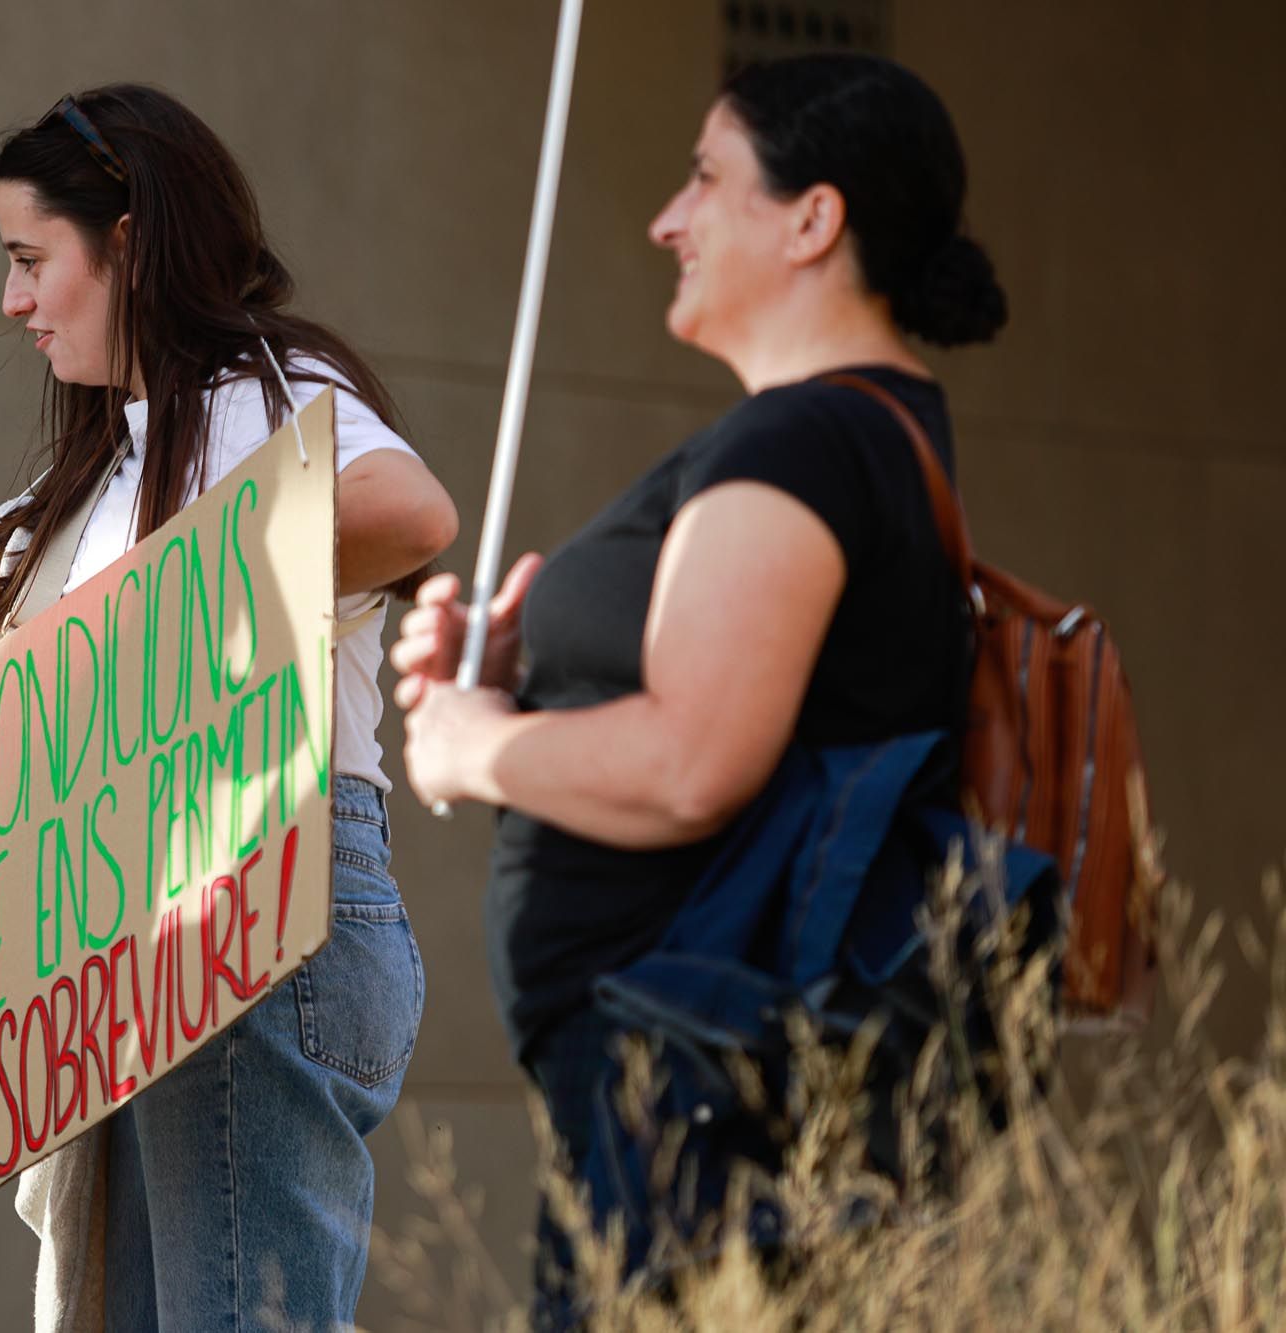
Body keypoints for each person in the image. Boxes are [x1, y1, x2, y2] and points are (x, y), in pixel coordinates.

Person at [392, 53, 1010, 1322]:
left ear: (811, 218)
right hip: (699, 1078)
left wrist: (477, 743)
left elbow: (693, 762)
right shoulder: (850, 436)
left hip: (691, 1093)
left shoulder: (801, 441)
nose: (667, 219)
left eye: (704, 178)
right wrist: (532, 676)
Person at [0, 84, 458, 1332]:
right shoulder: (121, 448)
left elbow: (412, 512)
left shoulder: (252, 391)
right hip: (148, 920)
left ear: (125, 242)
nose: (11, 301)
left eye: (29, 260)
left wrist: (133, 618)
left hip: (250, 896)